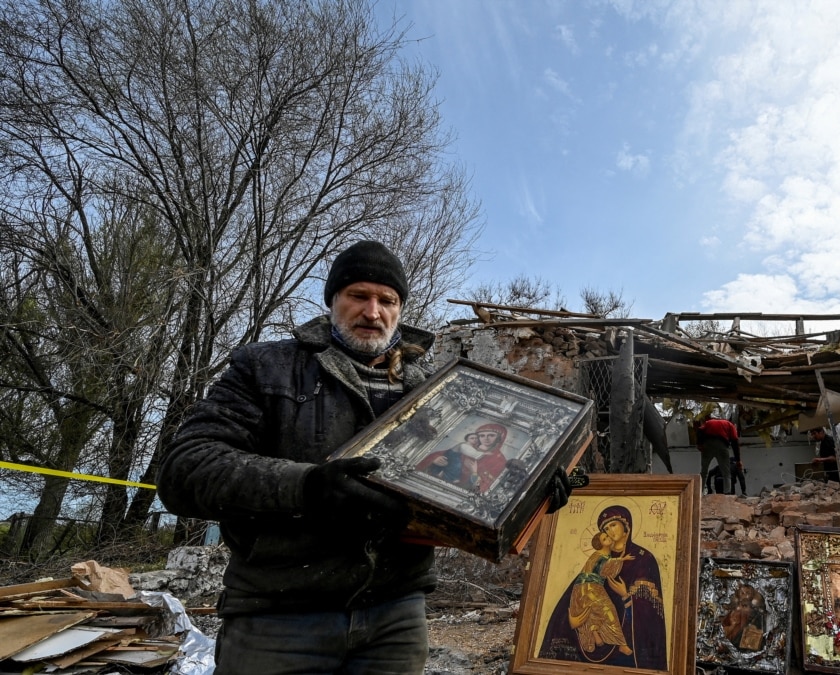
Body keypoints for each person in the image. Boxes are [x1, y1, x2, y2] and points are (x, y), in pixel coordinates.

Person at [157, 240, 571, 674]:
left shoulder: (440, 394)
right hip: (278, 615)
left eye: (387, 300)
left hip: (395, 617)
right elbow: (186, 469)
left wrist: (528, 495)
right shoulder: (266, 368)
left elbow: (461, 499)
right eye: (359, 296)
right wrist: (309, 486)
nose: (373, 312)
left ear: (400, 309)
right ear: (333, 299)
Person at [539, 505, 668, 669]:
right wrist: (572, 619)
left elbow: (652, 612)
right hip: (592, 637)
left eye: (613, 525)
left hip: (630, 646)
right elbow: (578, 590)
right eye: (606, 529)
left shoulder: (643, 558)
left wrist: (626, 596)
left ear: (625, 524)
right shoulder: (600, 557)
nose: (610, 531)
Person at [567, 531, 634, 656]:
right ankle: (621, 644)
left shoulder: (607, 554)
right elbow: (604, 565)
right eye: (605, 538)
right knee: (607, 609)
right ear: (600, 543)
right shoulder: (598, 554)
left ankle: (595, 634)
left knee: (596, 610)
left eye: (608, 536)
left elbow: (608, 572)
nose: (608, 537)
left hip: (594, 586)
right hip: (587, 586)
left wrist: (620, 558)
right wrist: (622, 559)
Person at [696, 415, 741, 495]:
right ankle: (727, 493)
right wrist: (738, 460)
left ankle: (700, 492)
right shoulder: (730, 424)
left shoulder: (709, 422)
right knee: (726, 472)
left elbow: (699, 430)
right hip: (722, 446)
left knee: (704, 471)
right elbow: (735, 443)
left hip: (707, 445)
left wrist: (699, 444)